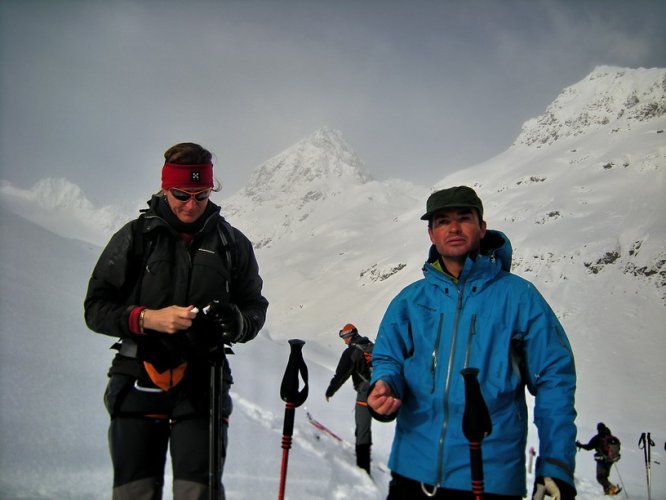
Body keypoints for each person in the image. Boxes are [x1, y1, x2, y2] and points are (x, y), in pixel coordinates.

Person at [367, 186, 577, 499]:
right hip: (413, 473)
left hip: (490, 477)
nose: (453, 228)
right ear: (431, 234)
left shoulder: (519, 298)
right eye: (442, 221)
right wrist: (386, 385)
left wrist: (556, 463)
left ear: (481, 228)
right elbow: (388, 358)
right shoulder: (410, 300)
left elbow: (554, 378)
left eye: (463, 218)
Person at [84, 142, 268, 499]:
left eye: (201, 195)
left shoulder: (233, 244)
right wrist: (147, 318)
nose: (191, 205)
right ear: (165, 187)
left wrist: (237, 322)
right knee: (134, 492)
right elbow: (96, 307)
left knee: (197, 493)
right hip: (138, 373)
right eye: (182, 194)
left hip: (204, 381)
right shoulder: (135, 238)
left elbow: (254, 307)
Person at [325, 323, 374, 474]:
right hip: (381, 388)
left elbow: (341, 374)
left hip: (365, 392)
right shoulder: (370, 345)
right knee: (365, 425)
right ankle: (365, 456)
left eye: (345, 337)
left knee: (362, 427)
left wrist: (330, 391)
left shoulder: (352, 351)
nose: (344, 341)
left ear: (350, 336)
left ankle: (363, 467)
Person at [576, 423, 621, 495]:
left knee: (600, 477)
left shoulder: (598, 437)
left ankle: (613, 489)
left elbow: (589, 447)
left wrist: (580, 445)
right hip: (610, 460)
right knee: (604, 476)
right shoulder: (610, 436)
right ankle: (608, 493)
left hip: (602, 460)